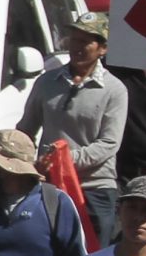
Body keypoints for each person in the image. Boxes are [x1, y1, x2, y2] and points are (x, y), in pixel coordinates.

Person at [17, 13, 127, 240]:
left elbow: (108, 143)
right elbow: (26, 129)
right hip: (50, 186)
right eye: (74, 40)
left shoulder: (114, 90)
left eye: (85, 41)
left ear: (102, 48)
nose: (77, 47)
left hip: (94, 189)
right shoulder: (47, 82)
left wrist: (64, 160)